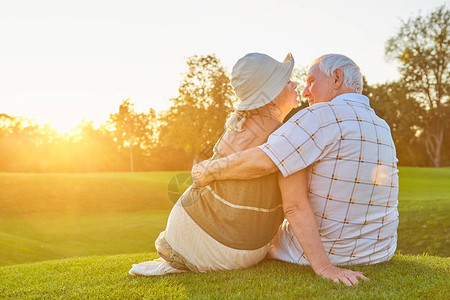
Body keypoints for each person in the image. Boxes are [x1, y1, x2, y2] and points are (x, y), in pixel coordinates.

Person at [192, 54, 399, 286]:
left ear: (337, 78)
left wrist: (210, 169)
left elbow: (267, 164)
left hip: (327, 254)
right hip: (379, 252)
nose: (305, 92)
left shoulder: (320, 115)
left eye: (311, 81)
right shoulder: (381, 126)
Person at [129, 52, 300, 276]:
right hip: (229, 244)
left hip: (203, 235)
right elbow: (262, 164)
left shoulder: (241, 127)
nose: (295, 84)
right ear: (272, 93)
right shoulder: (280, 134)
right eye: (287, 81)